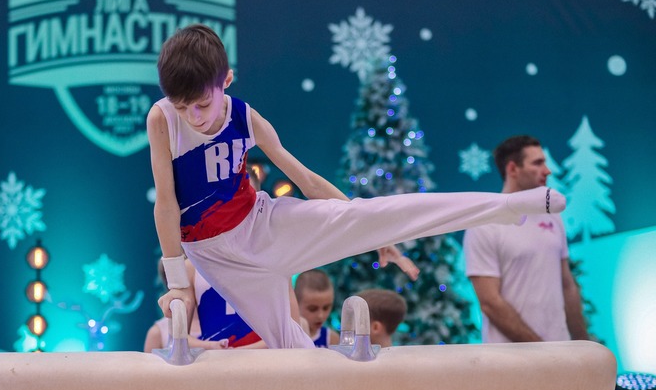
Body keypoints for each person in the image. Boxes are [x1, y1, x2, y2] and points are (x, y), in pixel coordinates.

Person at [147, 24, 565, 350]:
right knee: (292, 350)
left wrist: (369, 231)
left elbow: (306, 180)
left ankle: (509, 206)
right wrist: (178, 282)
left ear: (227, 81)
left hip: (261, 224)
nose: (193, 116)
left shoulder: (245, 118)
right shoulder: (163, 120)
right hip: (217, 256)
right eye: (183, 107)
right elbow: (166, 205)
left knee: (375, 212)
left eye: (202, 104)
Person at [463, 135, 589, 390]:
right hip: (508, 360)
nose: (547, 170)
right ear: (512, 168)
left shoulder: (552, 218)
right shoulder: (485, 223)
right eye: (538, 163)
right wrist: (539, 348)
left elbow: (567, 284)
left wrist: (583, 342)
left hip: (556, 354)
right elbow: (490, 302)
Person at [294, 270, 340, 347]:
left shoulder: (332, 339)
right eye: (312, 309)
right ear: (296, 303)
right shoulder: (288, 338)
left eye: (326, 308)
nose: (320, 316)